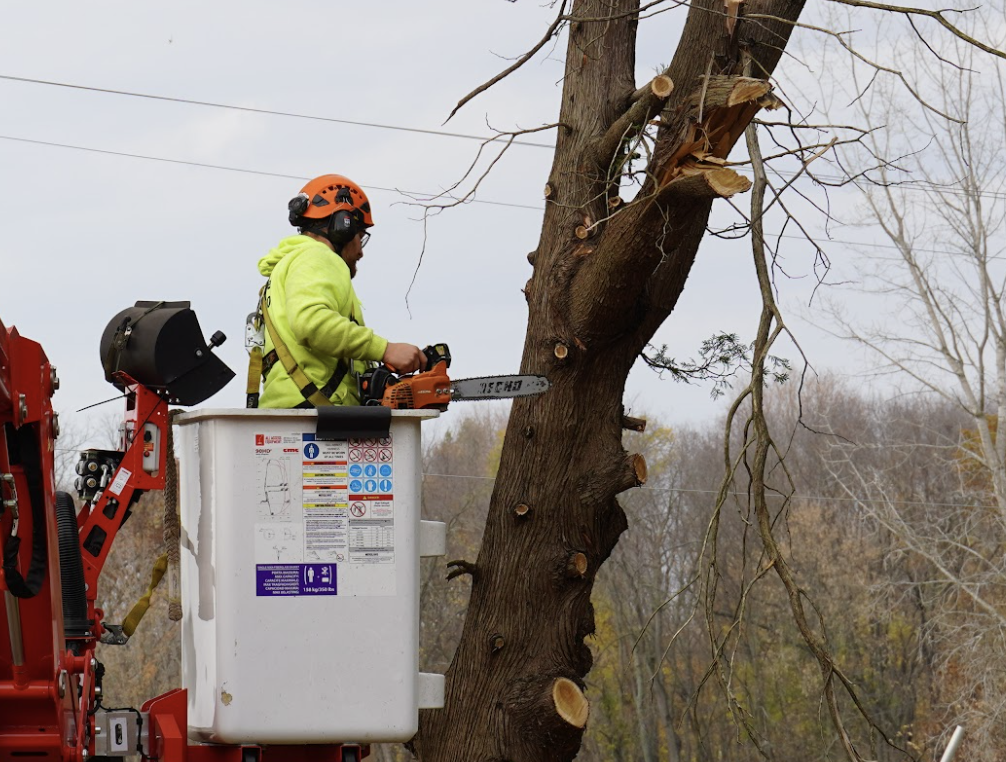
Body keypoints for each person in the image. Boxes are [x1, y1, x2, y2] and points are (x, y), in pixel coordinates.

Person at [255, 174, 425, 408]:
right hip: (318, 409)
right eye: (360, 236)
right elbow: (312, 323)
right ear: (342, 228)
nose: (361, 252)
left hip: (292, 411)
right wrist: (385, 350)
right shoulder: (318, 256)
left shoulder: (285, 270)